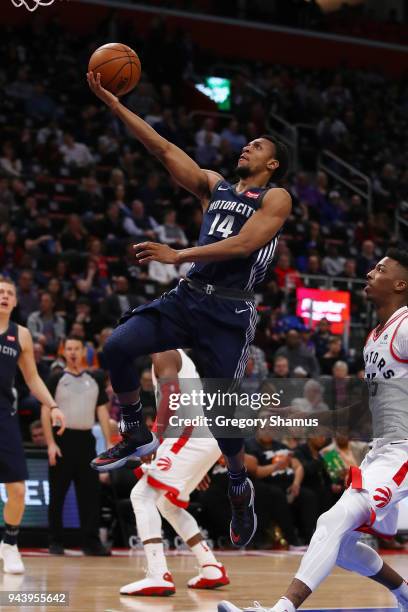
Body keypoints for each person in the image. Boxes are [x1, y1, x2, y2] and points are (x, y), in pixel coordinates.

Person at [87, 70, 292, 548]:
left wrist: (178, 255)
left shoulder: (274, 197)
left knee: (223, 416)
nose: (247, 148)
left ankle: (240, 483)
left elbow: (244, 245)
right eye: (247, 144)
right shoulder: (214, 187)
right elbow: (161, 148)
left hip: (229, 312)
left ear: (274, 163)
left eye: (257, 146)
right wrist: (114, 104)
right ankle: (135, 430)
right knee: (118, 346)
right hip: (189, 298)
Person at [218, 248, 408, 612]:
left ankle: (282, 609)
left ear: (400, 284)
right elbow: (365, 411)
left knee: (335, 520)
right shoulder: (373, 339)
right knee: (336, 538)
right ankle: (405, 594)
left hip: (403, 449)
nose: (370, 273)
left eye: (380, 269)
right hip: (381, 448)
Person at [120, 349, 229, 596]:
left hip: (189, 433)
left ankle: (157, 574)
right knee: (167, 504)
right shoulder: (174, 356)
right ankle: (210, 566)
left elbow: (171, 395)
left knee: (142, 496)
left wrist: (154, 438)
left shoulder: (164, 352)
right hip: (200, 435)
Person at [0, 276, 65, 574]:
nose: (4, 296)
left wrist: (52, 405)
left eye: (9, 293)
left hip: (4, 414)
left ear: (15, 301)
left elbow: (32, 379)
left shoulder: (21, 335)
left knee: (18, 490)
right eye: (0, 292)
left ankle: (10, 545)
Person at [41, 336, 111, 556]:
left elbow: (102, 412)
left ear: (84, 352)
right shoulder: (56, 378)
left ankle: (91, 543)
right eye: (69, 349)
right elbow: (45, 410)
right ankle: (55, 541)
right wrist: (50, 443)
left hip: (86, 441)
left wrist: (109, 445)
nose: (72, 352)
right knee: (58, 493)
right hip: (62, 440)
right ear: (63, 352)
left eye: (76, 349)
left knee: (90, 495)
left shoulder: (95, 378)